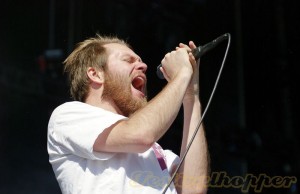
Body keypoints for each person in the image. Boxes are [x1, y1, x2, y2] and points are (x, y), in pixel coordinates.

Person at [47, 34, 209, 194]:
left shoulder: (157, 151)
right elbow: (140, 135)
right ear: (95, 74)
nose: (143, 66)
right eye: (128, 60)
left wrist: (191, 97)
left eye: (140, 61)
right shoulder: (68, 116)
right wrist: (181, 74)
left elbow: (193, 188)